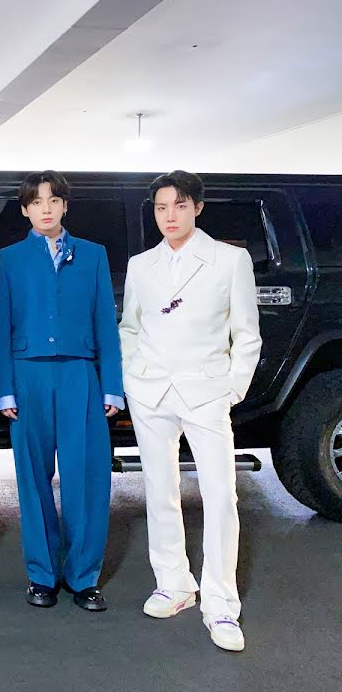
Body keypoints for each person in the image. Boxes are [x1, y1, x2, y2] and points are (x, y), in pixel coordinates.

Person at [119, 170, 261, 652]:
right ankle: (174, 583)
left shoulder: (230, 260)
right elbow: (130, 327)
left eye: (179, 206)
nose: (170, 216)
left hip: (207, 392)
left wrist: (231, 389)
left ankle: (221, 604)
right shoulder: (142, 265)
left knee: (221, 495)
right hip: (150, 392)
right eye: (161, 208)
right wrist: (132, 377)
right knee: (159, 490)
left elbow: (247, 333)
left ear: (197, 208)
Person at [0, 170, 123, 612]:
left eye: (53, 200)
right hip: (26, 374)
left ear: (65, 206)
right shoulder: (9, 259)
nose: (45, 209)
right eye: (36, 202)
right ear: (25, 210)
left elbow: (105, 321)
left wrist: (112, 386)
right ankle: (42, 575)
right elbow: (1, 326)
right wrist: (4, 389)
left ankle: (84, 577)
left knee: (87, 475)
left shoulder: (92, 254)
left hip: (79, 374)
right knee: (32, 479)